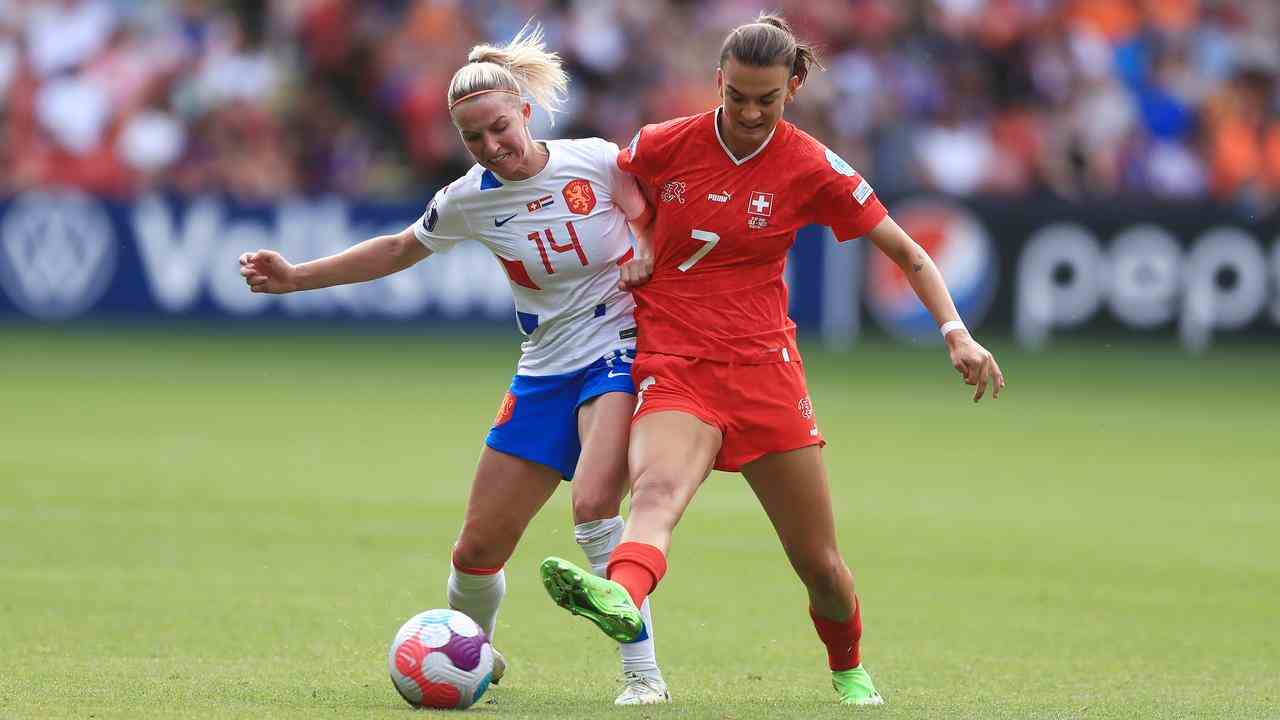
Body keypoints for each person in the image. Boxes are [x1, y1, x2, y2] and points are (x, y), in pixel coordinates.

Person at [539, 13, 1006, 706]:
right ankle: (619, 595)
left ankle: (847, 664)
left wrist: (955, 332)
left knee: (819, 566)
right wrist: (639, 234)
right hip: (677, 359)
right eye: (738, 97)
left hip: (765, 372)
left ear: (794, 86)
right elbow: (618, 187)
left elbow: (908, 252)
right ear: (718, 82)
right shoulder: (665, 144)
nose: (752, 112)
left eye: (769, 99)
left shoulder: (811, 166)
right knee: (658, 496)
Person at [238, 23, 671, 706]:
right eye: (475, 138)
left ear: (525, 111)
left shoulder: (594, 160)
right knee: (474, 553)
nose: (492, 145)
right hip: (543, 370)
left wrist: (644, 245)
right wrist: (295, 278)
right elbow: (397, 250)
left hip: (618, 348)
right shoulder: (470, 197)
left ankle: (644, 678)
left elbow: (646, 208)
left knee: (593, 504)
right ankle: (474, 660)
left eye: (500, 127)